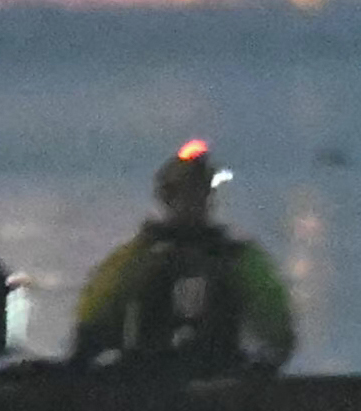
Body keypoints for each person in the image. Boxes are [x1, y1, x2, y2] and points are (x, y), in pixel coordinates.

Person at [71, 140, 295, 373]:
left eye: (200, 192)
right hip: (151, 385)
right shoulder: (136, 260)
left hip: (211, 383)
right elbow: (92, 325)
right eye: (186, 193)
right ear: (168, 198)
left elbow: (278, 333)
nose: (193, 201)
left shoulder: (238, 259)